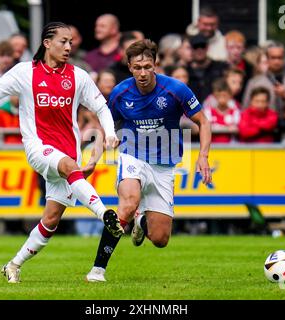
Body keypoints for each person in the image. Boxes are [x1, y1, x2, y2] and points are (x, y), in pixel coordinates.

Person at [0, 22, 124, 283]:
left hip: (69, 153)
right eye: (62, 41)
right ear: (46, 43)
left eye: (70, 43)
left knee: (51, 220)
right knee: (69, 167)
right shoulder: (24, 72)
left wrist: (110, 132)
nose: (68, 47)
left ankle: (13, 264)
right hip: (38, 147)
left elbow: (101, 106)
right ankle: (105, 215)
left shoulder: (78, 75)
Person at [85, 39, 212, 282]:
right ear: (129, 67)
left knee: (160, 240)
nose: (143, 73)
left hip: (164, 165)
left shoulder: (176, 89)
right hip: (132, 155)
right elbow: (104, 127)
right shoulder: (121, 93)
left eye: (147, 66)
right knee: (128, 204)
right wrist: (93, 160)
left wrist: (203, 156)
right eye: (137, 67)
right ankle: (98, 269)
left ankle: (141, 222)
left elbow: (203, 121)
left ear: (156, 65)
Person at [242, 41, 285, 114]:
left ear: (284, 58)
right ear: (267, 59)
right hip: (262, 124)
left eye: (280, 58)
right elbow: (245, 110)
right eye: (273, 58)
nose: (276, 61)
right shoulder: (254, 83)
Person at [203, 78, 240, 143]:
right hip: (212, 147)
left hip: (231, 148)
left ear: (230, 96)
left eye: (224, 95)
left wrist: (215, 127)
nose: (222, 98)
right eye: (219, 96)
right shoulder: (208, 112)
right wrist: (227, 128)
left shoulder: (235, 112)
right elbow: (205, 128)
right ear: (215, 96)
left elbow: (237, 129)